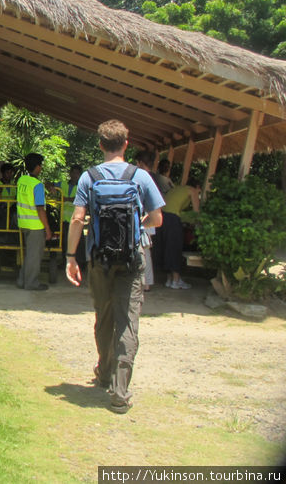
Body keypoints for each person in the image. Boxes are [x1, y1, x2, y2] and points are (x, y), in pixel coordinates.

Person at [65, 120, 164, 414]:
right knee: (128, 322)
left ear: (100, 145)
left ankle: (104, 371)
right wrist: (137, 224)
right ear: (126, 143)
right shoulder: (140, 176)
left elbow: (77, 220)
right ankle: (119, 392)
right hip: (132, 261)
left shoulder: (89, 177)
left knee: (104, 317)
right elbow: (157, 218)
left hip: (99, 260)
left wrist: (71, 257)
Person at [16, 153, 53, 291]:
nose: (41, 168)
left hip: (23, 222)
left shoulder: (21, 180)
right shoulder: (37, 185)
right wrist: (47, 229)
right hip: (35, 225)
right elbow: (40, 209)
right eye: (41, 165)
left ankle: (22, 280)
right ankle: (31, 283)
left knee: (29, 254)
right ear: (37, 167)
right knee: (34, 256)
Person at [159, 177, 201, 289]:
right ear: (197, 187)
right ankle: (176, 280)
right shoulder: (192, 190)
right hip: (172, 219)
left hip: (162, 217)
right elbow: (196, 213)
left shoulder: (177, 189)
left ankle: (169, 279)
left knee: (166, 248)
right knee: (175, 247)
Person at [133, 151, 159, 292]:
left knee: (144, 249)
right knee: (145, 249)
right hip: (149, 215)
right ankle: (146, 281)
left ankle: (146, 282)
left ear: (141, 163)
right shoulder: (154, 177)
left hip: (146, 216)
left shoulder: (144, 177)